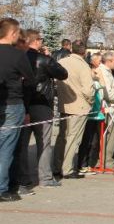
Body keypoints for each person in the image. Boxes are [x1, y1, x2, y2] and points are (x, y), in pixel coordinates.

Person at [14, 30, 68, 190]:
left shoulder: (19, 57)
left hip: (23, 103)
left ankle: (23, 179)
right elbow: (63, 74)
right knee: (44, 142)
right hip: (42, 103)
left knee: (22, 144)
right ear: (36, 41)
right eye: (40, 39)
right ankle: (44, 177)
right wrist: (48, 58)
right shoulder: (43, 59)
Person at [0, 18, 35, 201]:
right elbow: (30, 79)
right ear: (13, 33)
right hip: (13, 103)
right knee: (7, 148)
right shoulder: (17, 55)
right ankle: (2, 189)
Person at [53, 40, 95, 180]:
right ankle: (67, 169)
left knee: (61, 137)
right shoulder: (83, 66)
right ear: (84, 51)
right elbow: (88, 89)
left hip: (64, 104)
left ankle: (57, 167)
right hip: (79, 106)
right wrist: (91, 101)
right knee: (73, 138)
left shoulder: (63, 62)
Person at [76, 54, 104, 172]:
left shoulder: (98, 81)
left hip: (97, 114)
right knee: (86, 141)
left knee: (94, 141)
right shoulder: (91, 82)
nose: (96, 73)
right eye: (94, 72)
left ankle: (89, 163)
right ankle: (82, 164)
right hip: (89, 114)